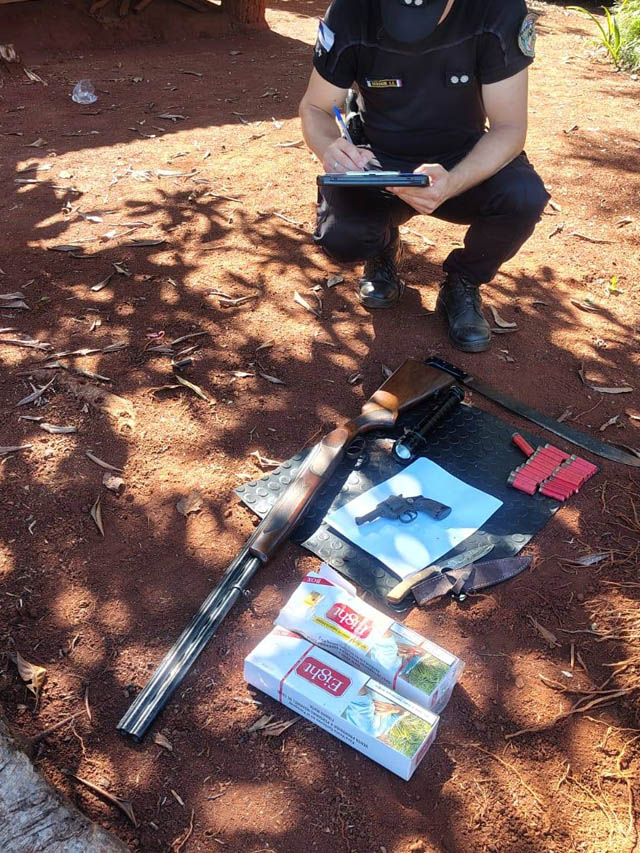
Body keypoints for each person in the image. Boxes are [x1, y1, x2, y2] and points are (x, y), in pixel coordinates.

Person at [298, 0, 549, 353]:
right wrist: (329, 147)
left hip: (463, 159)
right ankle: (383, 247)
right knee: (342, 237)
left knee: (523, 197)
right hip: (378, 160)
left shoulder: (496, 9)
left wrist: (453, 182)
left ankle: (463, 281)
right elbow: (315, 107)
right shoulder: (351, 10)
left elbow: (509, 128)